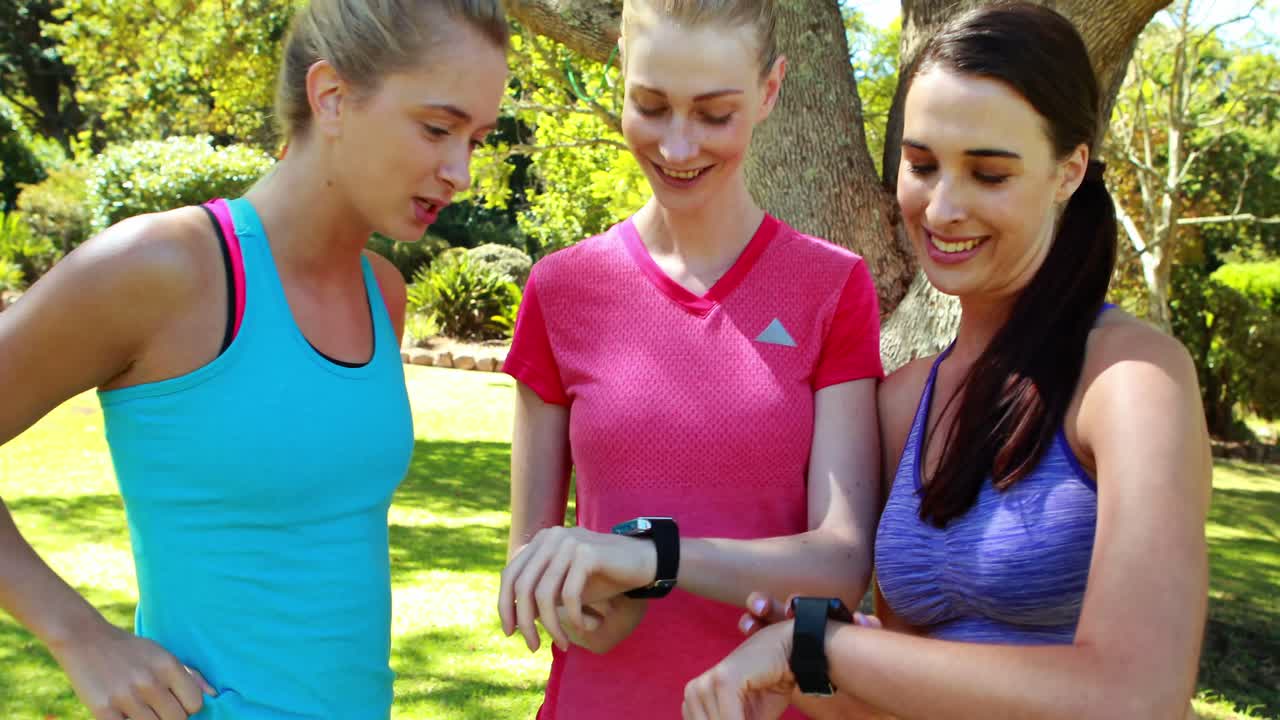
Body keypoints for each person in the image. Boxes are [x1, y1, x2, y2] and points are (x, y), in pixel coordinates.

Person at [681, 4, 1212, 719]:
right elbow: (919, 698)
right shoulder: (903, 401)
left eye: (989, 174)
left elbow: (1136, 696)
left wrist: (819, 648)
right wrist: (803, 676)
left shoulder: (1133, 382)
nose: (942, 207)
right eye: (922, 164)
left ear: (1069, 170)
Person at [0, 2, 508, 718]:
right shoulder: (164, 269)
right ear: (331, 97)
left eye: (477, 139)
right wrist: (78, 636)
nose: (460, 172)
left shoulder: (380, 293)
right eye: (437, 128)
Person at [495, 0, 884, 717]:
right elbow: (527, 574)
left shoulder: (833, 288)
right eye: (651, 105)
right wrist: (579, 605)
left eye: (714, 115)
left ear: (769, 92)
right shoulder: (561, 289)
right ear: (620, 74)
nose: (677, 147)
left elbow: (842, 566)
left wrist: (653, 559)